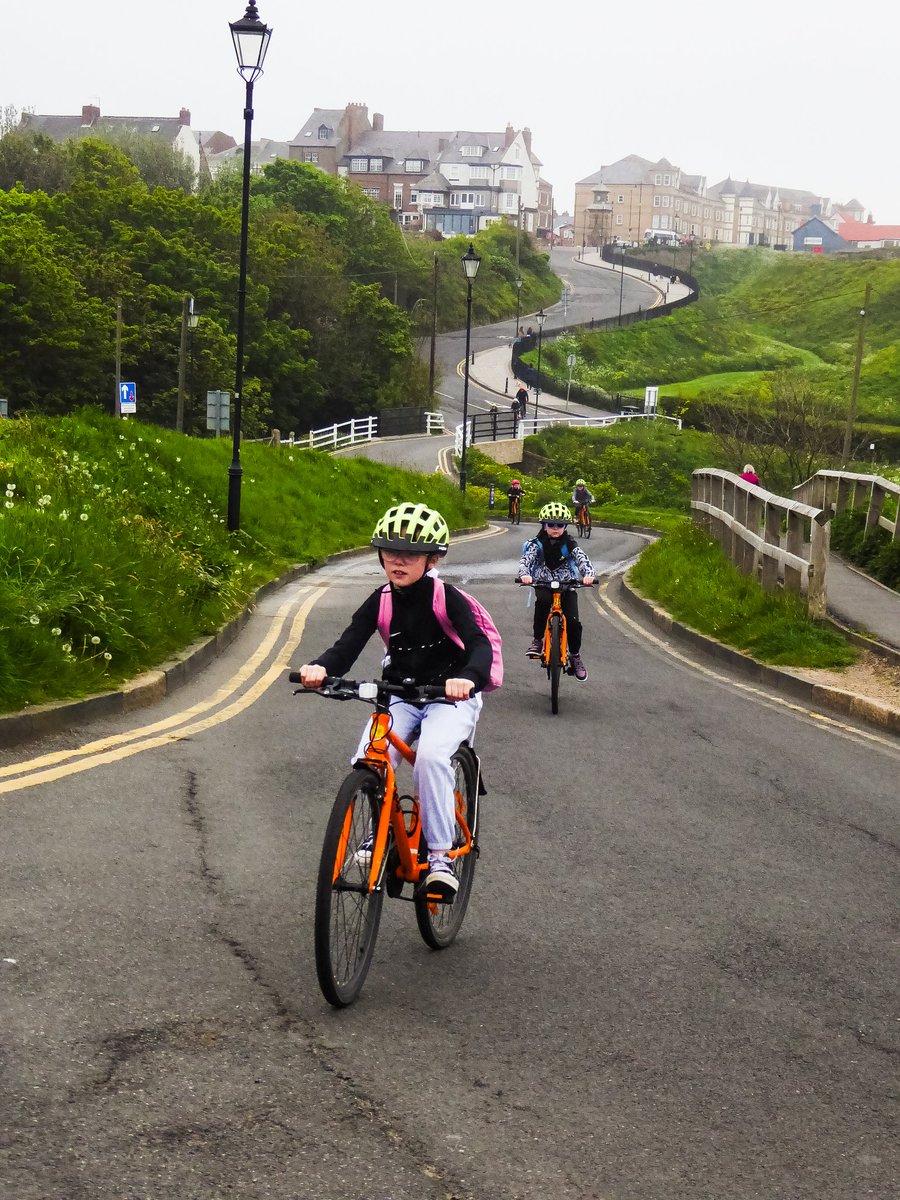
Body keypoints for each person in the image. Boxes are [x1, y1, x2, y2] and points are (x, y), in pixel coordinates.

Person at [298, 502, 492, 898]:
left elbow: (479, 645)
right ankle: (380, 834)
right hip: (400, 694)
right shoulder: (381, 599)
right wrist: (319, 668)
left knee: (432, 758)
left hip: (448, 696)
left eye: (410, 554)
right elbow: (347, 645)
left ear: (432, 558)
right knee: (372, 756)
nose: (397, 561)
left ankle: (440, 858)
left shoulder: (447, 597)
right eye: (389, 551)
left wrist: (467, 679)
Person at [516, 502, 595, 682]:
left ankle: (575, 656)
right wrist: (525, 575)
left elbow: (582, 560)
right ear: (544, 525)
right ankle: (537, 640)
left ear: (565, 526)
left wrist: (588, 575)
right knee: (542, 603)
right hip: (543, 583)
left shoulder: (570, 543)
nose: (555, 529)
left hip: (568, 584)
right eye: (551, 525)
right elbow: (526, 561)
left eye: (560, 525)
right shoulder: (537, 544)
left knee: (574, 621)